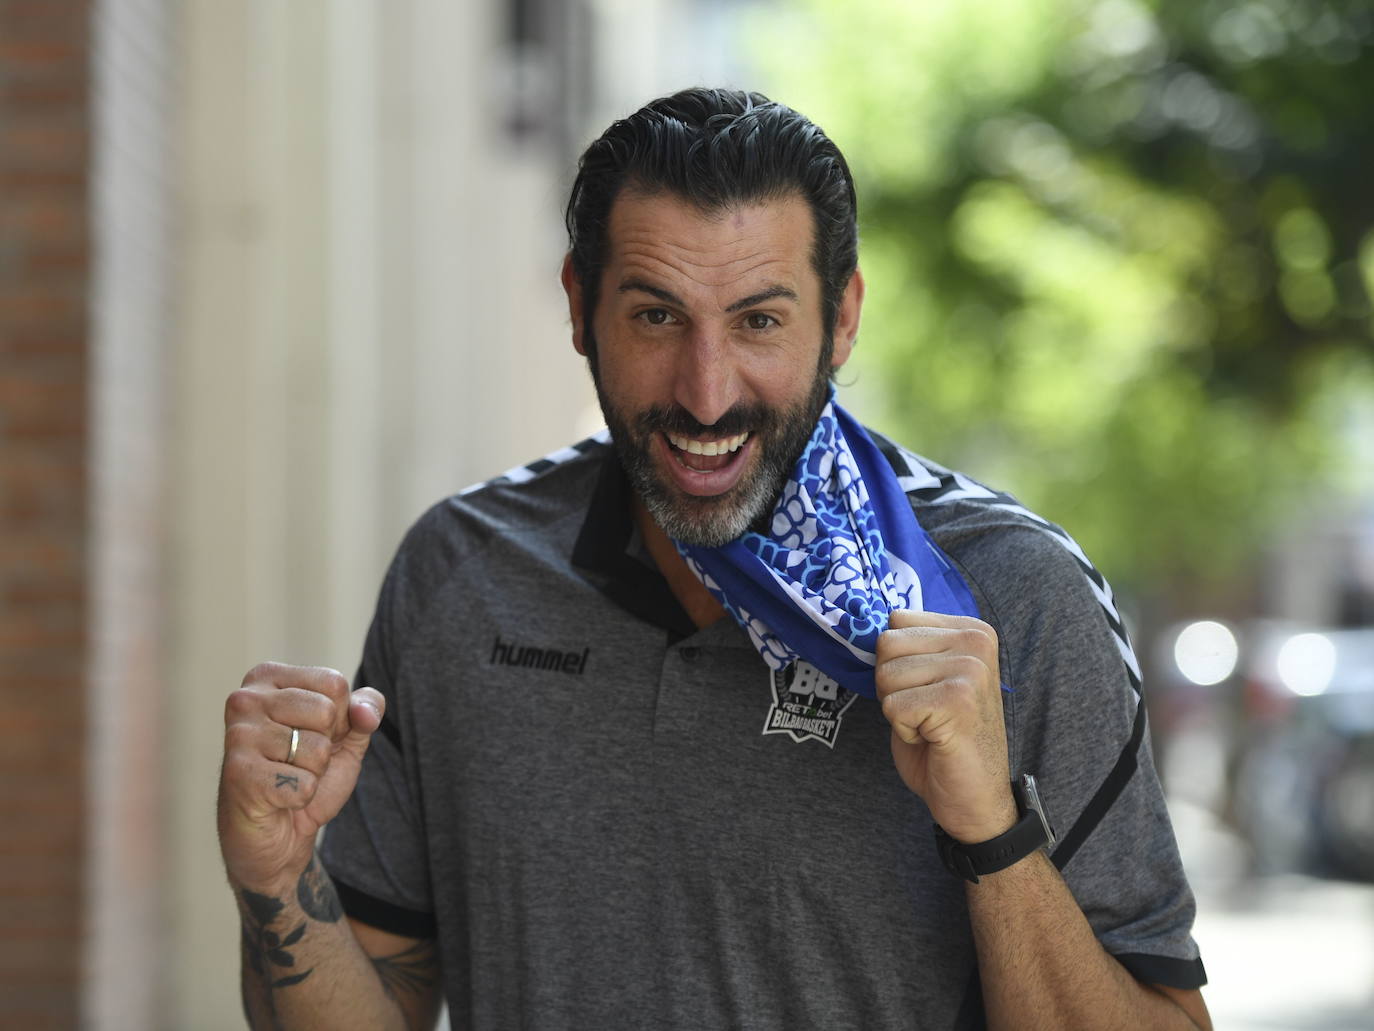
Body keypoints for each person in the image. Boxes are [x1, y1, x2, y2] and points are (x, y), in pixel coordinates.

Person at [218, 88, 1211, 1030]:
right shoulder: (461, 574)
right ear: (579, 305)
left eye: (759, 320)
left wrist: (992, 829)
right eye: (656, 315)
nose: (704, 392)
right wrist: (275, 880)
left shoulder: (1013, 594)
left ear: (844, 316)